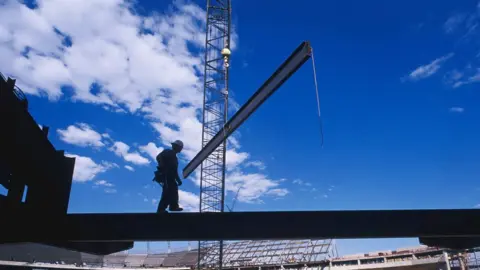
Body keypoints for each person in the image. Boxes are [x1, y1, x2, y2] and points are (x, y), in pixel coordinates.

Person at [155, 140, 184, 213]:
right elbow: (159, 157)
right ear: (178, 147)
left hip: (169, 176)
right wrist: (162, 166)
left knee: (173, 190)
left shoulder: (173, 156)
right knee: (167, 192)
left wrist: (178, 180)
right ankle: (161, 209)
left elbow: (174, 170)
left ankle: (173, 206)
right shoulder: (169, 153)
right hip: (167, 175)